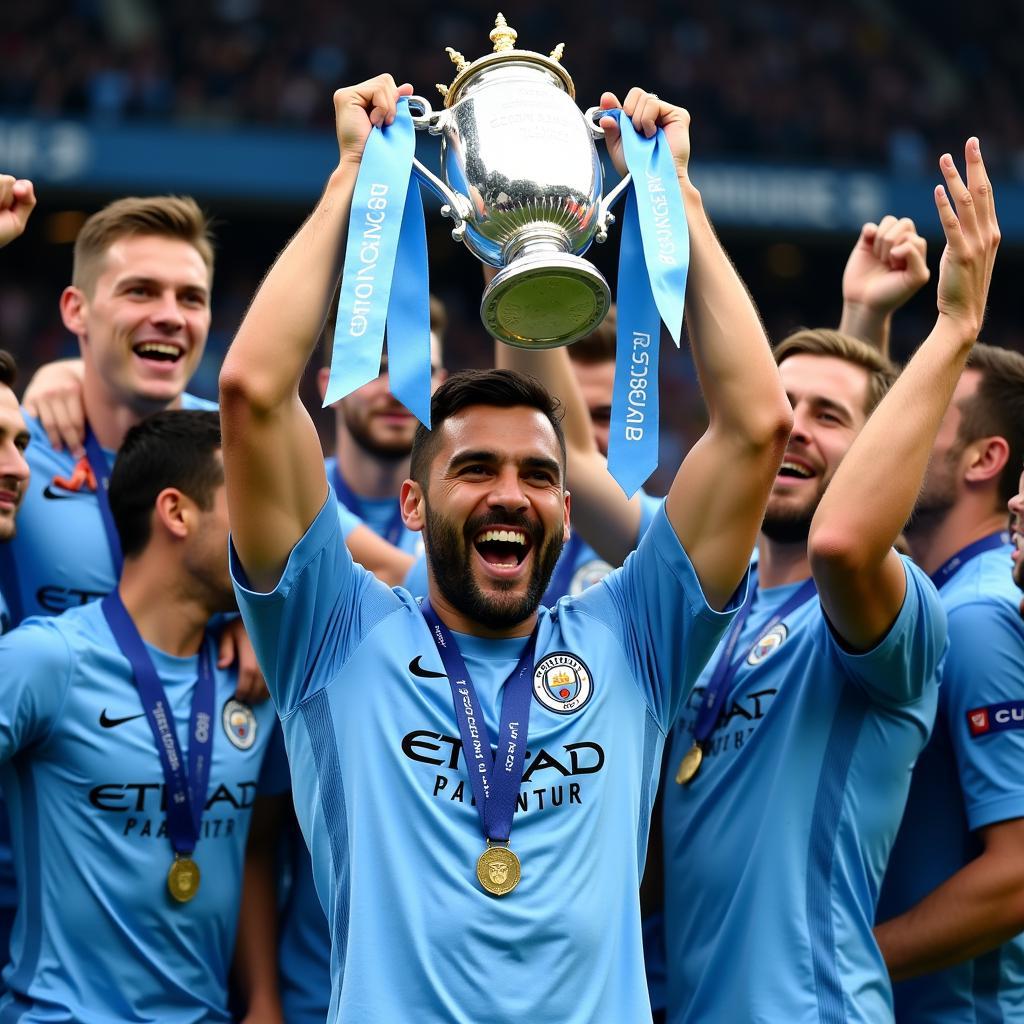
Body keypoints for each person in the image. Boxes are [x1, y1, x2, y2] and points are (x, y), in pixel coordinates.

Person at [220, 75, 792, 1022]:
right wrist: (353, 182)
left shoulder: (636, 636)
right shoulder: (330, 632)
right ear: (411, 499)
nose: (509, 495)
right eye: (475, 468)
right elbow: (251, 392)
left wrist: (672, 198)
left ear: (567, 509)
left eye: (535, 475)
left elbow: (756, 428)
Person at [661, 138, 998, 1023]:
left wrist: (954, 327)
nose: (790, 430)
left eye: (827, 416)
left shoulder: (897, 615)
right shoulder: (714, 607)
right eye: (781, 407)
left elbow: (844, 538)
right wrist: (859, 315)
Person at [0, 411, 283, 1022]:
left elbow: (254, 847)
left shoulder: (256, 677)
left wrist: (262, 1001)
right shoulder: (47, 660)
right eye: (249, 500)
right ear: (177, 513)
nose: (272, 528)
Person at [874, 343, 1024, 1021]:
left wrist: (851, 960)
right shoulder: (943, 594)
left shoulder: (978, 617)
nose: (893, 432)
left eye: (924, 415)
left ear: (983, 459)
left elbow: (1016, 874)